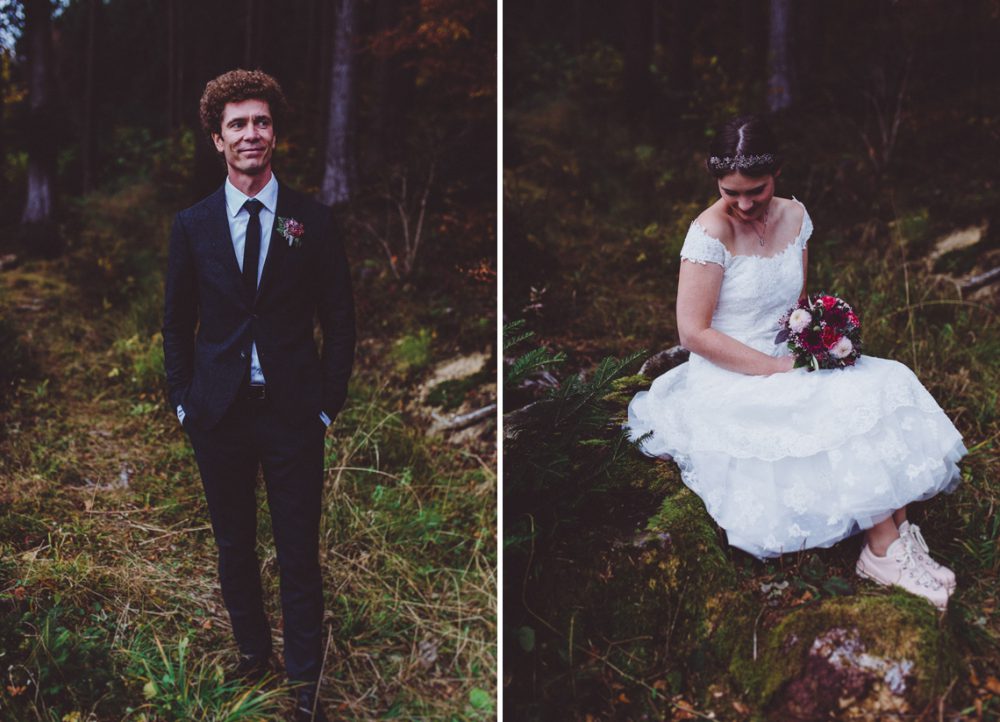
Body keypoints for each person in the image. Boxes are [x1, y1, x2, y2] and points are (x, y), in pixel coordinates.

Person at [626, 115, 965, 610]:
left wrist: (819, 338)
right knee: (830, 405)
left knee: (886, 379)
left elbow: (796, 302)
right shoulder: (707, 233)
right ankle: (881, 548)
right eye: (729, 192)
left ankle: (897, 534)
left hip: (789, 353)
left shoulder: (795, 217)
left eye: (755, 191)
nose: (743, 204)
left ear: (777, 173)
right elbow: (693, 333)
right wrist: (776, 368)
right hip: (729, 372)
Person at [162, 69, 355, 722]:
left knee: (299, 550)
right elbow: (175, 321)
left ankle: (303, 685)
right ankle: (252, 658)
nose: (252, 134)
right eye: (238, 124)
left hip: (294, 415)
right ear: (218, 139)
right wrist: (184, 402)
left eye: (261, 121)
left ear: (276, 132)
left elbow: (342, 319)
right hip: (218, 415)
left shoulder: (312, 220)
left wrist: (327, 404)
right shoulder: (191, 225)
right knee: (234, 546)